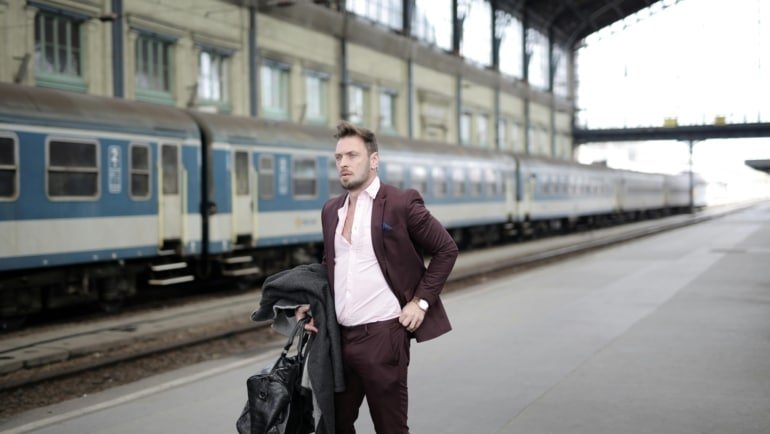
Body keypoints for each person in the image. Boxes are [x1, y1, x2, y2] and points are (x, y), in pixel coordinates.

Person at [299, 121, 459, 434]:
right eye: (338, 157)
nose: (343, 163)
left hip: (383, 338)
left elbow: (446, 250)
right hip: (338, 338)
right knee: (333, 426)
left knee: (390, 428)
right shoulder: (332, 210)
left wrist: (420, 302)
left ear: (374, 160)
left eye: (352, 155)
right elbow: (332, 265)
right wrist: (315, 305)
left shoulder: (401, 203)